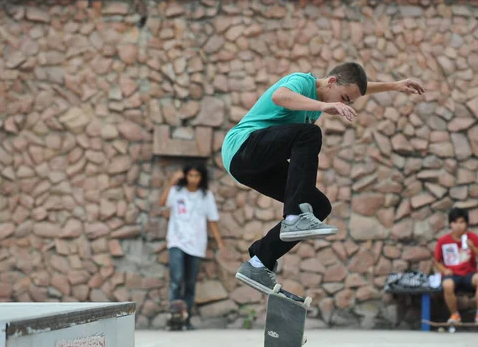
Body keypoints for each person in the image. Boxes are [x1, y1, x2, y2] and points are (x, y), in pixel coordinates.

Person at [220, 62, 425, 295]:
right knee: (309, 135)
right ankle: (294, 216)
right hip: (242, 148)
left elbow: (359, 87)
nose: (344, 105)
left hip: (256, 167)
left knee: (318, 206)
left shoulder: (324, 98)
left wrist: (395, 86)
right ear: (331, 82)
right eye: (344, 98)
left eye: (349, 102)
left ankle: (259, 262)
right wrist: (324, 105)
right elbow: (280, 96)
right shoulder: (302, 81)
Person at [158, 162, 225, 329]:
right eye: (190, 175)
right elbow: (162, 203)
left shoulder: (206, 196)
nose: (193, 179)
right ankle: (174, 316)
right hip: (177, 241)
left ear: (201, 178)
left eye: (197, 176)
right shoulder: (177, 191)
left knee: (190, 283)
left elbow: (212, 221)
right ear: (185, 176)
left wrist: (220, 243)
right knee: (176, 278)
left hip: (197, 244)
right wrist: (172, 182)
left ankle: (185, 319)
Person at [433, 207, 478, 325]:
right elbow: (436, 261)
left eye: (461, 222)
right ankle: (455, 315)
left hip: (469, 274)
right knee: (447, 284)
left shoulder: (473, 238)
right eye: (455, 222)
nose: (458, 226)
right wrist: (444, 269)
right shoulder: (443, 241)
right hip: (452, 275)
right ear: (450, 224)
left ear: (466, 224)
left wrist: (473, 248)